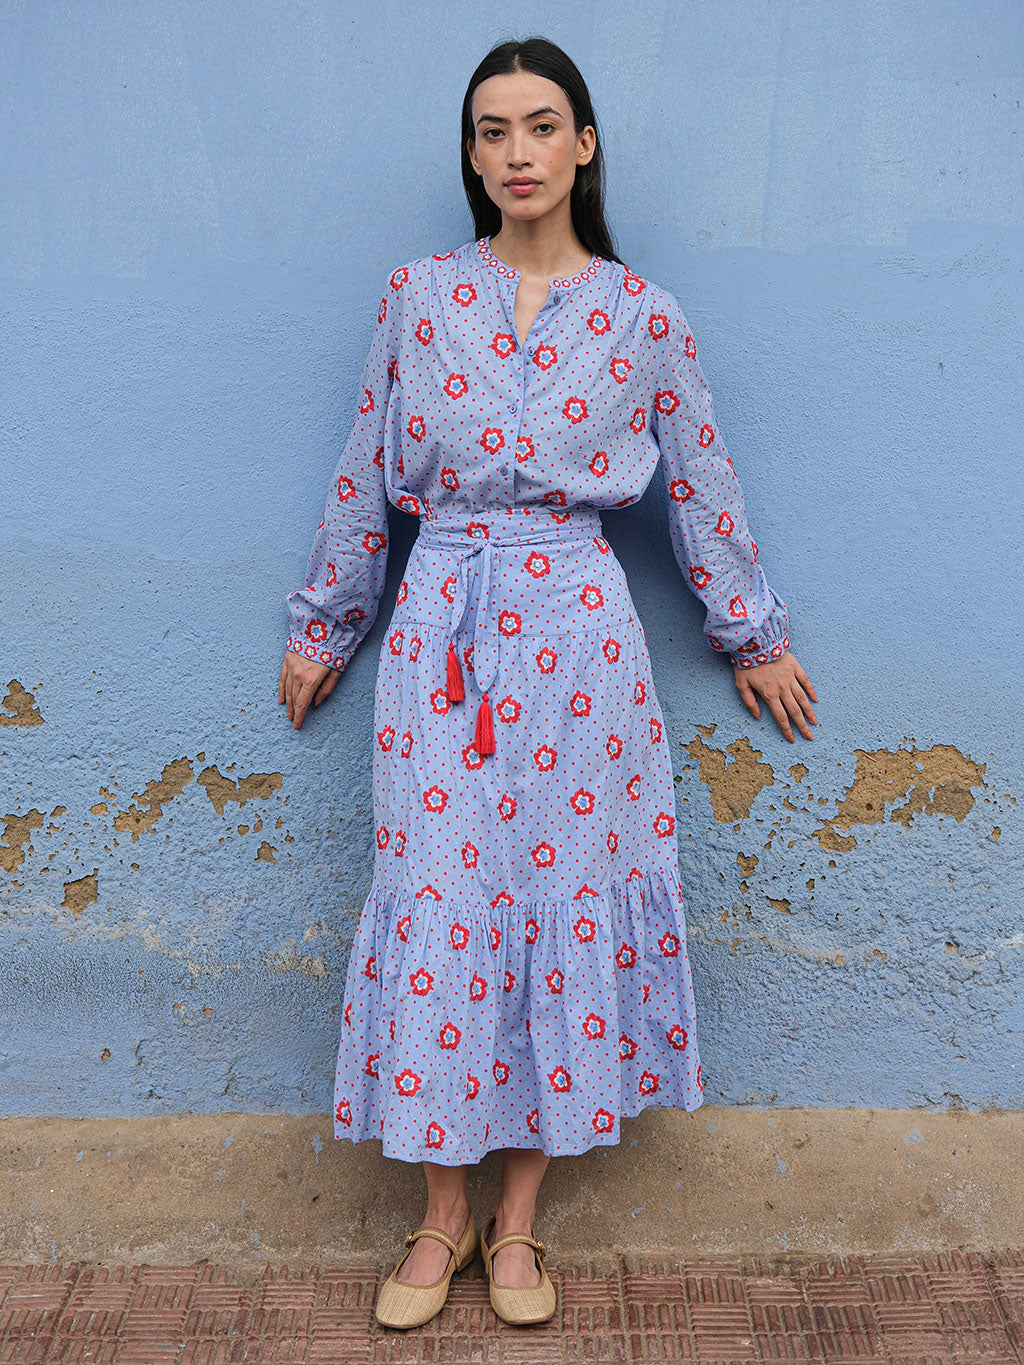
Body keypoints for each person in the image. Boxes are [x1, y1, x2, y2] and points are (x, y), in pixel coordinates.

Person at [278, 35, 818, 1332]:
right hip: (442, 641)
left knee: (560, 906)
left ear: (583, 144)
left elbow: (699, 482)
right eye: (489, 130)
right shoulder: (418, 296)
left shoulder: (643, 317)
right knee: (441, 893)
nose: (514, 153)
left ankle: (517, 1226)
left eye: (539, 126)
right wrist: (327, 622)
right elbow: (364, 469)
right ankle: (439, 1215)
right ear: (470, 156)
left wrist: (753, 632)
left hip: (581, 646)